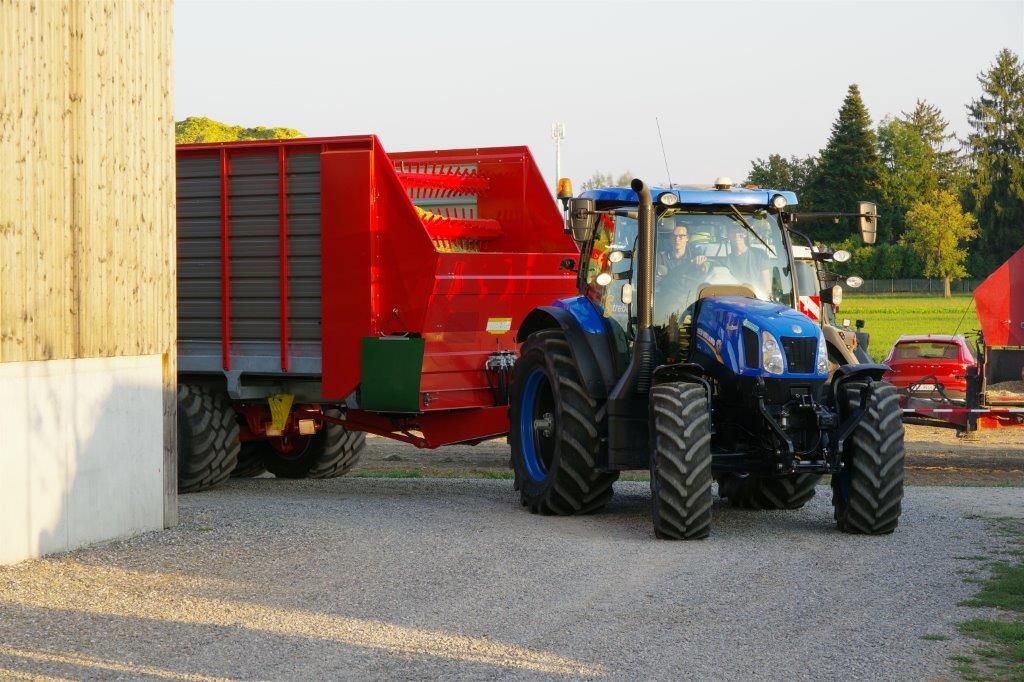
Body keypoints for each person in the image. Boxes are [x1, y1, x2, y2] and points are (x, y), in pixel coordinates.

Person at [656, 216, 708, 282]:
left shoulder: (696, 256)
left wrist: (702, 267)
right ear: (670, 238)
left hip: (691, 291)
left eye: (681, 236)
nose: (677, 239)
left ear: (687, 238)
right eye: (674, 236)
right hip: (667, 291)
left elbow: (705, 273)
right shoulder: (660, 258)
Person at [725, 224, 771, 296]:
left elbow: (767, 288)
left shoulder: (759, 255)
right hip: (734, 301)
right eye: (733, 232)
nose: (737, 235)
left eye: (740, 231)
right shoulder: (726, 261)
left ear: (745, 234)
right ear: (728, 236)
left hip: (757, 300)